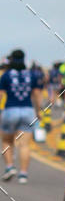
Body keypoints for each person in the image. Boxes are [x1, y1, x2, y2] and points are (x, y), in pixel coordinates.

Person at [0, 49, 43, 183]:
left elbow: (1, 94)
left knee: (7, 141)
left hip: (10, 110)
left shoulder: (6, 75)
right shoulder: (32, 75)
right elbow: (36, 95)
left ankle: (10, 167)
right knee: (24, 144)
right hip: (27, 110)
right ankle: (23, 174)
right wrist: (38, 111)